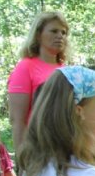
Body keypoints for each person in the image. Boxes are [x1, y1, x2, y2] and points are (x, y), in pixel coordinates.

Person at [7, 12, 68, 154]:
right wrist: (23, 157)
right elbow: (17, 120)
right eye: (54, 31)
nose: (60, 36)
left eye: (64, 33)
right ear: (38, 35)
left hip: (62, 147)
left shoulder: (66, 69)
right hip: (37, 148)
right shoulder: (25, 67)